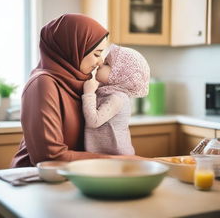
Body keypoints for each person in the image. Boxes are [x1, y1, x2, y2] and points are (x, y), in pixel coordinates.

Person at [11, 14, 146, 168]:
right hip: (35, 179)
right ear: (74, 49)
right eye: (96, 54)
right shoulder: (43, 83)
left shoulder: (84, 82)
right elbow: (49, 157)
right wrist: (117, 160)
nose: (100, 61)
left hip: (75, 176)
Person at [82, 44, 150, 155]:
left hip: (118, 158)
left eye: (107, 63)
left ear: (119, 75)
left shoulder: (117, 98)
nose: (101, 64)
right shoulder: (106, 92)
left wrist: (88, 93)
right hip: (108, 157)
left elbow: (93, 121)